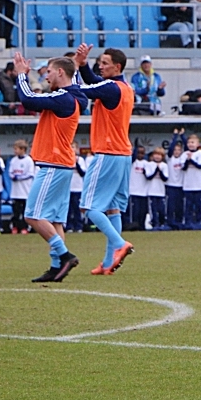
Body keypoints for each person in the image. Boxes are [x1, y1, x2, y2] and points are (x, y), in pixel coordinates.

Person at [12, 53, 88, 281]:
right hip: (62, 163)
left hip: (53, 163)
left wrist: (22, 76)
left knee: (32, 215)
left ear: (60, 73)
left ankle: (64, 256)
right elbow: (71, 79)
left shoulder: (63, 98)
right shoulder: (74, 95)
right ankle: (56, 267)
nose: (46, 76)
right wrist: (75, 62)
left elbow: (28, 100)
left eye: (49, 71)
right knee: (54, 220)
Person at [75, 44, 136, 275]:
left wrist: (72, 71)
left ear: (117, 67)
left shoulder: (111, 88)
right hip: (122, 154)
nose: (100, 66)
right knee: (113, 210)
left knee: (90, 207)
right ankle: (109, 261)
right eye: (99, 62)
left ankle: (120, 244)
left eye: (104, 63)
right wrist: (82, 65)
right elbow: (92, 82)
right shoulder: (124, 88)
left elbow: (87, 88)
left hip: (107, 152)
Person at [8, 139, 34, 234]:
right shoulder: (13, 160)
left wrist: (19, 177)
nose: (15, 151)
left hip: (25, 192)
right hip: (15, 192)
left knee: (25, 212)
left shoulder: (29, 160)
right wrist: (13, 176)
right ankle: (15, 227)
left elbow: (30, 174)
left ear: (23, 149)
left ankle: (24, 227)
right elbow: (10, 172)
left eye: (16, 149)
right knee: (16, 211)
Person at [165, 131, 186, 230]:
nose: (176, 151)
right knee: (171, 206)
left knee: (180, 206)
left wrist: (182, 136)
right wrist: (175, 136)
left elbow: (187, 148)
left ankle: (179, 223)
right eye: (175, 150)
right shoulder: (170, 158)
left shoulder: (183, 158)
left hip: (181, 186)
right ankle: (170, 223)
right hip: (171, 185)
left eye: (179, 150)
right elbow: (170, 149)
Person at [144, 148, 169, 230]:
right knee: (153, 210)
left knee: (161, 209)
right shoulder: (149, 164)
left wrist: (160, 171)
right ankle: (155, 224)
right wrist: (156, 170)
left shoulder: (164, 165)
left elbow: (165, 178)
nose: (157, 157)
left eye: (160, 155)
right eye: (156, 154)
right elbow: (149, 177)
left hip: (161, 191)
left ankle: (162, 223)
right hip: (151, 191)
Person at [67, 142, 88, 233]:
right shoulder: (65, 160)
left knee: (77, 208)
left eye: (73, 147)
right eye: (70, 147)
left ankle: (78, 226)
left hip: (78, 188)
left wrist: (76, 163)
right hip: (68, 188)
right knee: (68, 209)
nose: (72, 149)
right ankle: (68, 226)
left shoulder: (80, 160)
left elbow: (83, 173)